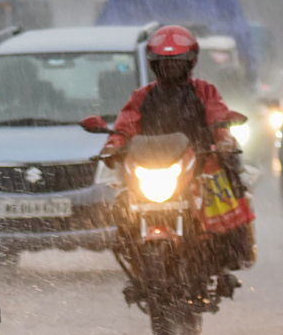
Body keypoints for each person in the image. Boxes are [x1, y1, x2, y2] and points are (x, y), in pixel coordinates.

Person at [104, 25, 254, 274]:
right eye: (165, 63)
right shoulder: (142, 96)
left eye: (177, 62)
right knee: (122, 202)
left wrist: (224, 140)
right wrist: (113, 146)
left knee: (226, 185)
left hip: (198, 163)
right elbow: (125, 125)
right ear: (154, 64)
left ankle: (227, 253)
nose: (171, 67)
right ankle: (130, 249)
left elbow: (218, 116)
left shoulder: (204, 91)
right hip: (150, 165)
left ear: (190, 62)